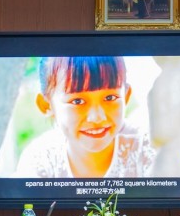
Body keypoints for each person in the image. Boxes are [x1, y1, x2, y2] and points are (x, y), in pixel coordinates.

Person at [14, 56, 157, 179]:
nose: (97, 118)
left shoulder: (147, 149)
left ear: (125, 97)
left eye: (110, 98)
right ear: (47, 105)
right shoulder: (40, 160)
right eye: (77, 101)